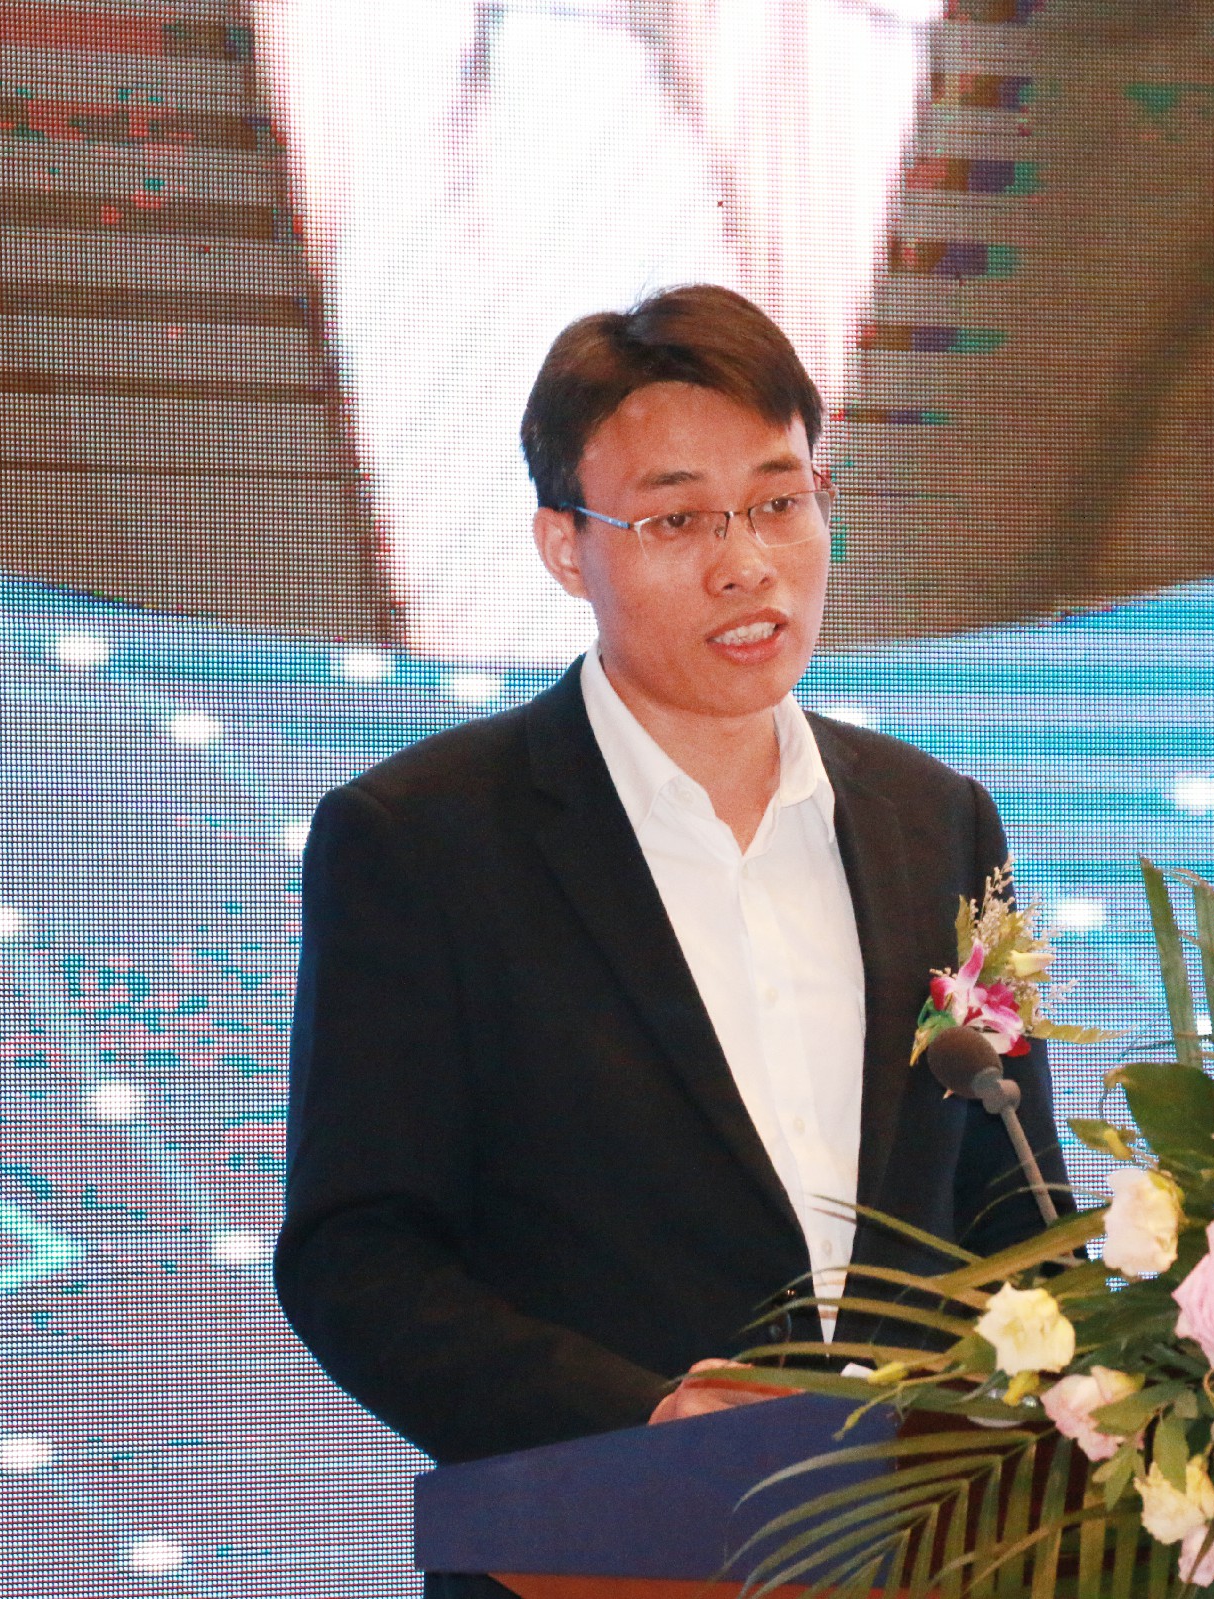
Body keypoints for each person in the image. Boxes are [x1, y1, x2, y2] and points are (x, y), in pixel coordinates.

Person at [274, 282, 1068, 1509]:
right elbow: (358, 1256)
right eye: (677, 520)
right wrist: (642, 1423)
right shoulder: (425, 841)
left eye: (779, 503)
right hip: (602, 1540)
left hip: (930, 1545)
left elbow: (1018, 1206)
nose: (746, 565)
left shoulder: (939, 823)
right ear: (565, 547)